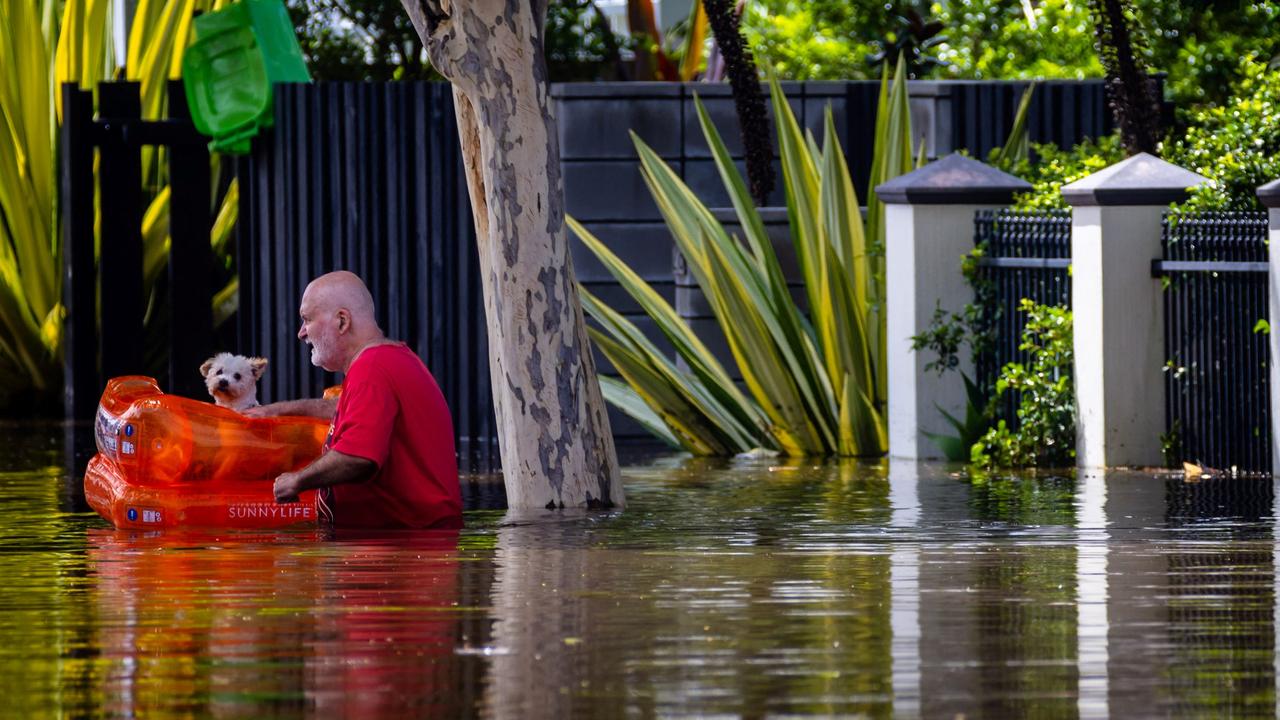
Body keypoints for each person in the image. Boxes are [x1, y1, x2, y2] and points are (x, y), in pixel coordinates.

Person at [246, 271, 462, 529]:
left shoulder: (372, 369)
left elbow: (358, 457)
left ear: (341, 321)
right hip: (406, 547)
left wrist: (297, 480)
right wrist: (275, 411)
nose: (301, 333)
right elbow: (345, 410)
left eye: (307, 319)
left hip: (400, 553)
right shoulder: (388, 360)